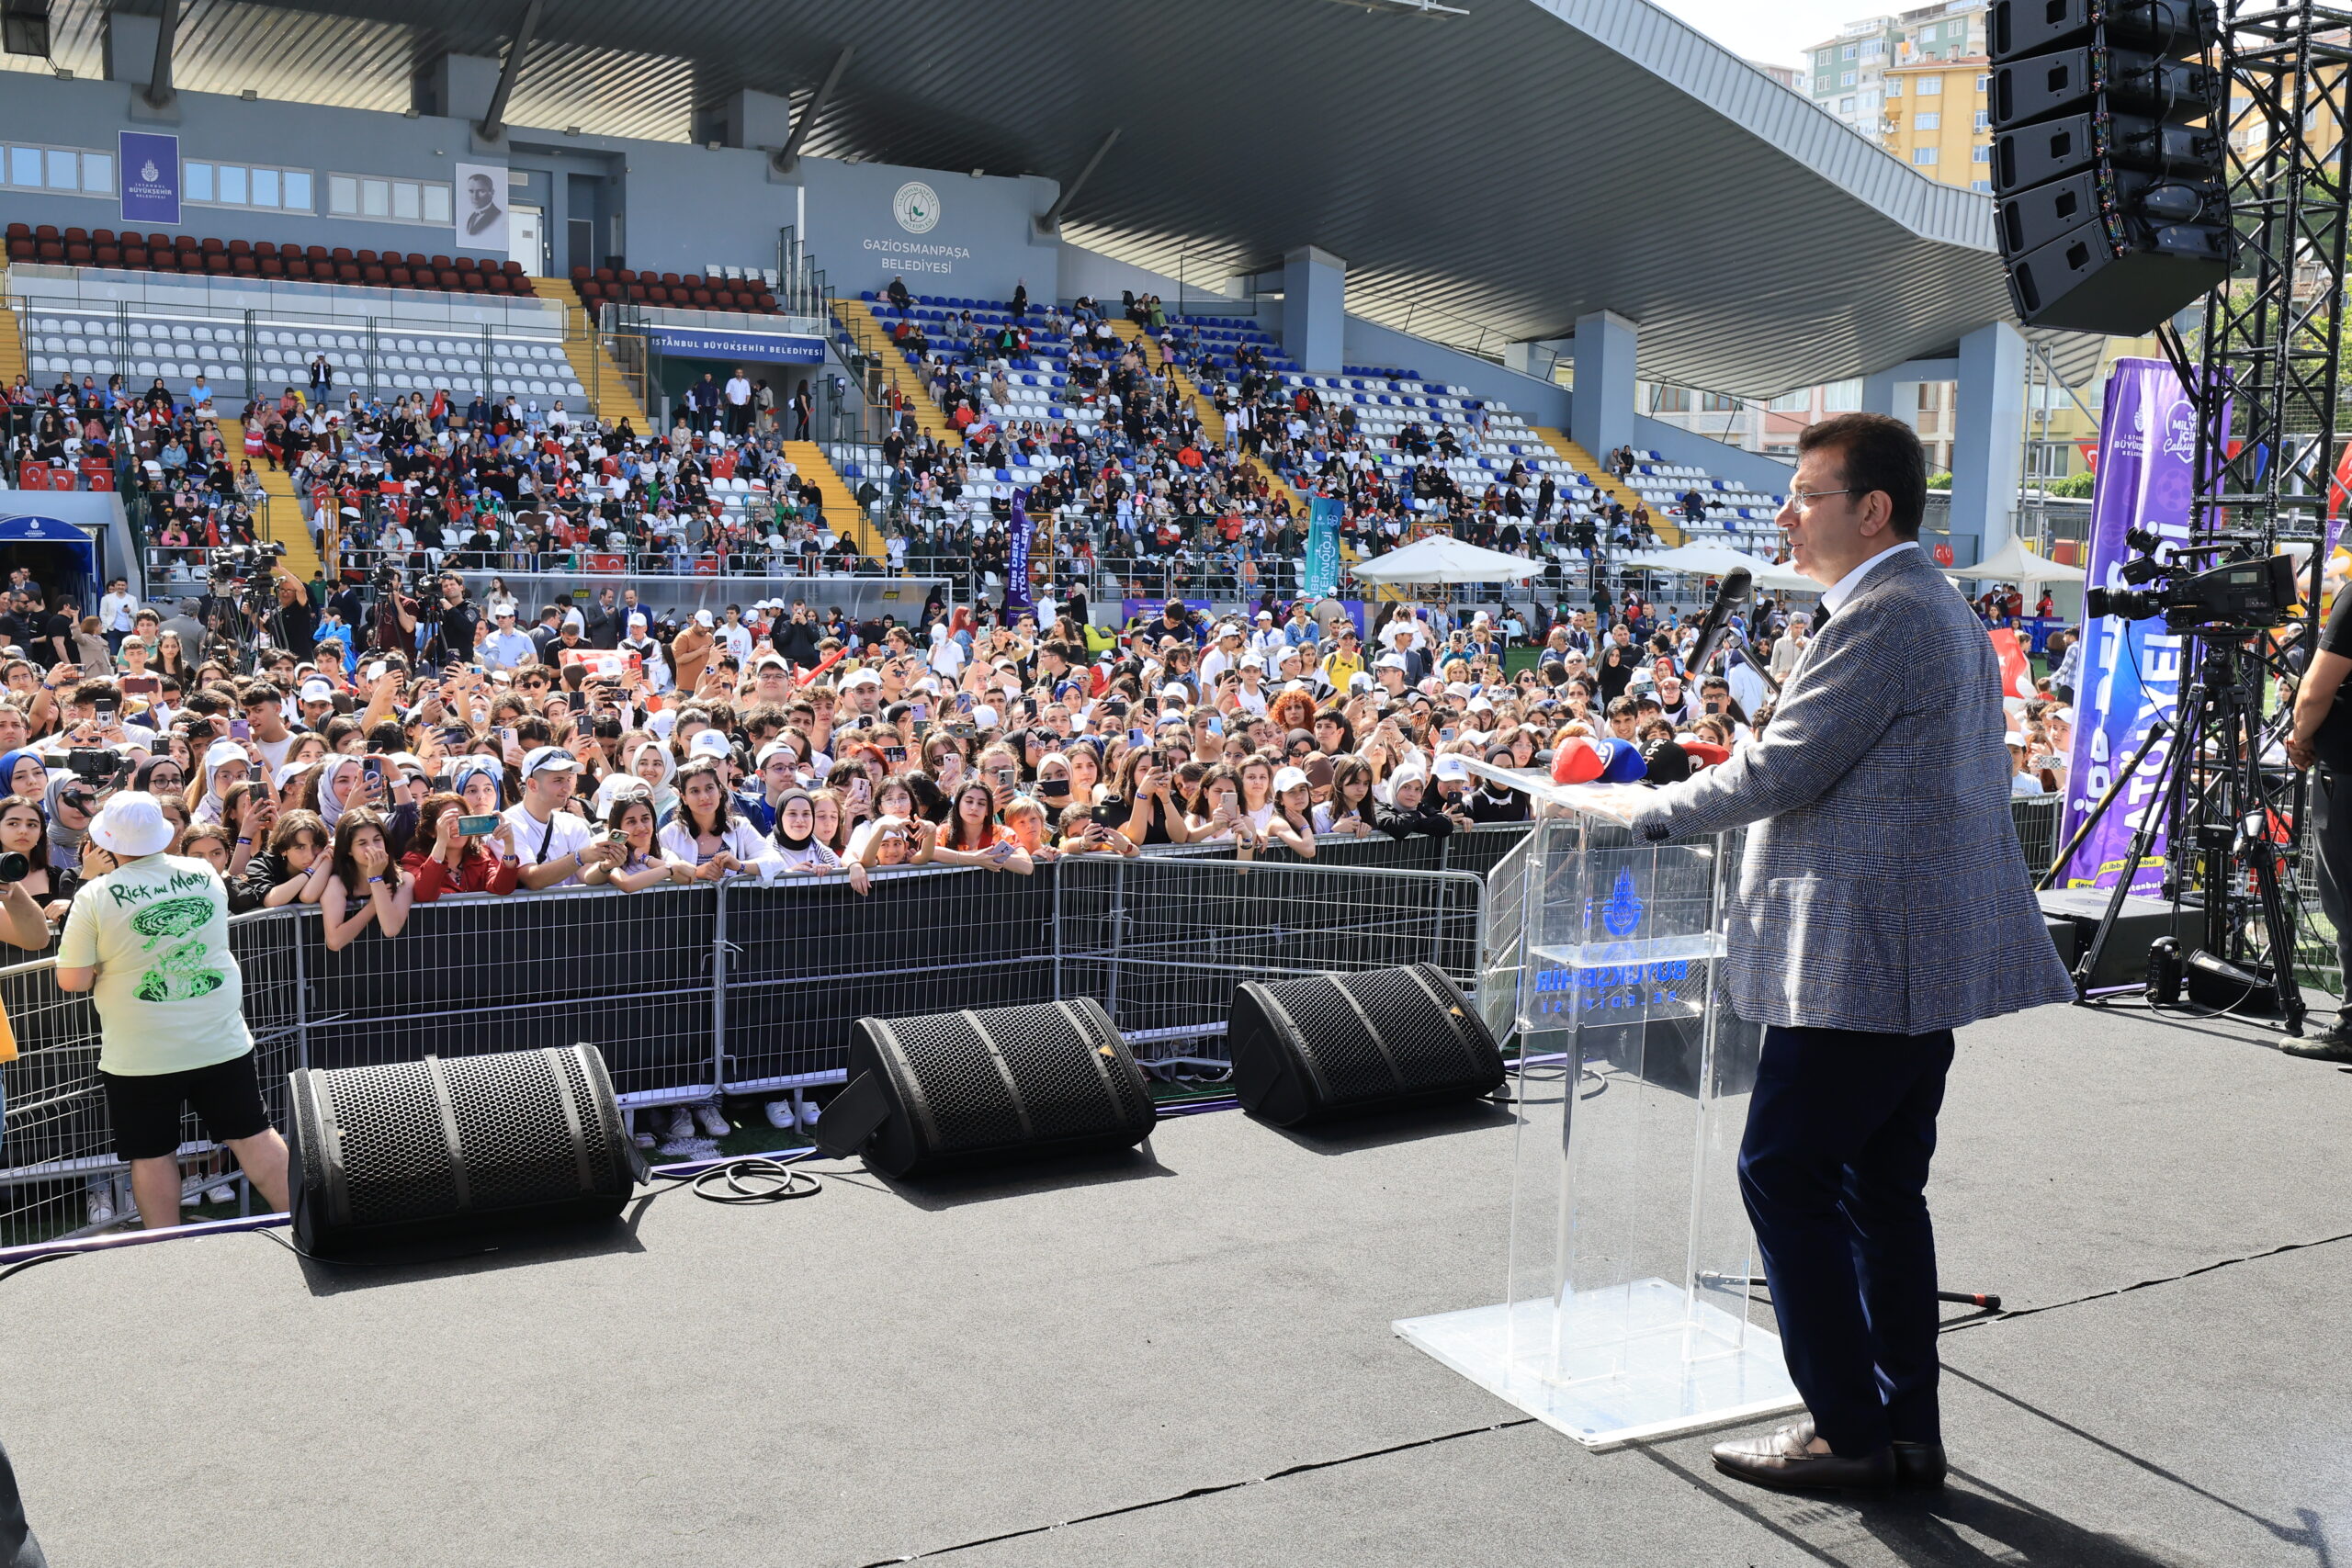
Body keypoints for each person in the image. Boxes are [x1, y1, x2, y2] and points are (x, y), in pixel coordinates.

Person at [1619, 414, 2071, 1494]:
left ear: (1871, 510)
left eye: (1804, 495)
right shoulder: (1923, 604)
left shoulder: (1888, 608)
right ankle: (1904, 1429)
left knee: (1782, 1175)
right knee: (1878, 1195)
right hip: (1901, 964)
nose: (1783, 515)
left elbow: (1780, 774)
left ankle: (1846, 1431)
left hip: (1863, 964)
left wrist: (1637, 813)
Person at [53, 792, 292, 1230]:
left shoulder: (94, 895)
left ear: (106, 840)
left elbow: (73, 979)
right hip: (217, 1040)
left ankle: (165, 1259)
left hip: (141, 1053)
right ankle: (310, 1224)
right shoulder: (203, 873)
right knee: (253, 1136)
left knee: (151, 1153)